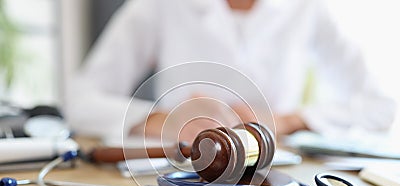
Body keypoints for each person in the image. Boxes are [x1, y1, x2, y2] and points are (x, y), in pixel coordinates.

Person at [64, 0, 396, 142]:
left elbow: (381, 107)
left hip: (276, 182)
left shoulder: (306, 7)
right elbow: (80, 100)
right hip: (181, 176)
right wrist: (165, 121)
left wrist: (287, 120)